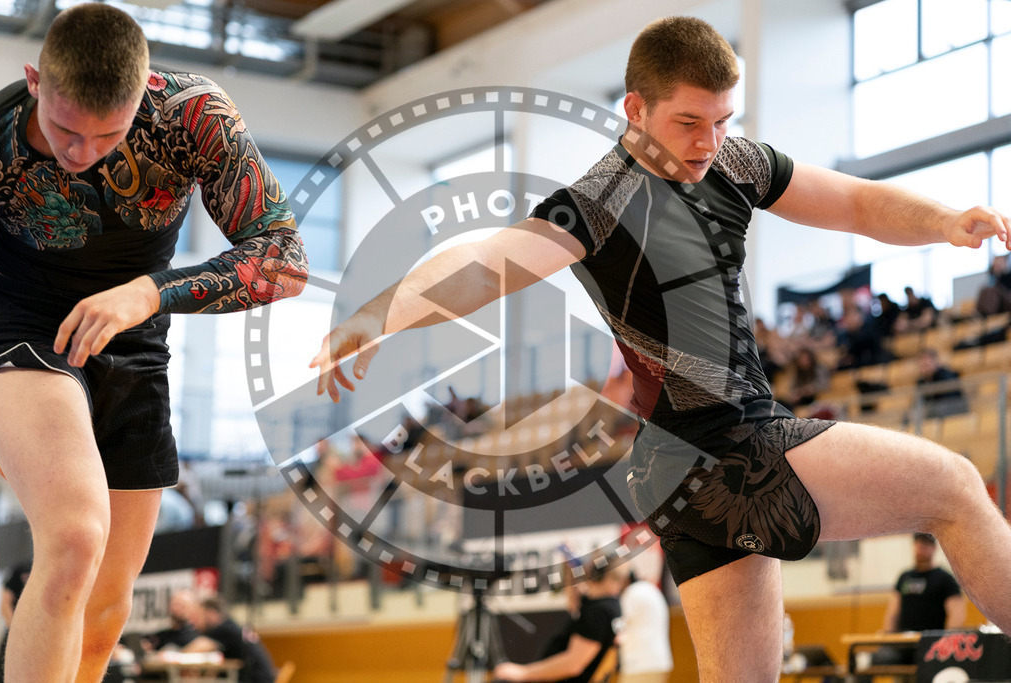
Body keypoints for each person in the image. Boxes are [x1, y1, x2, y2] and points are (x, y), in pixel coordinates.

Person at [312, 15, 1011, 682]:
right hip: (728, 447)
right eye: (688, 122)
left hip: (682, 474)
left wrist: (944, 220)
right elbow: (484, 263)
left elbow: (854, 204)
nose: (708, 142)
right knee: (952, 484)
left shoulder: (734, 163)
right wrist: (376, 314)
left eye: (722, 121)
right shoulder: (598, 201)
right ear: (635, 109)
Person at [0, 4, 308, 681]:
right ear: (34, 82)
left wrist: (151, 291)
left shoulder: (194, 116)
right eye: (65, 130)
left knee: (105, 613)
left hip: (137, 343)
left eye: (108, 135)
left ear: (142, 99)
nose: (82, 154)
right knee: (74, 538)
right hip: (23, 328)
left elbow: (284, 258)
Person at [492, 563, 625, 682]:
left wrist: (523, 673)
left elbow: (573, 664)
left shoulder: (598, 611)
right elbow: (575, 600)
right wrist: (572, 568)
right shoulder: (606, 606)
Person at [858, 533, 964, 679]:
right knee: (863, 663)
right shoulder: (905, 577)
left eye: (926, 546)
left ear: (934, 548)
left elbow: (956, 614)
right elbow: (893, 612)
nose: (921, 549)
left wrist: (944, 643)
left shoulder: (944, 579)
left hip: (930, 646)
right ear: (914, 546)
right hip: (902, 645)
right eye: (919, 545)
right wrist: (887, 636)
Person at [180, 596, 277, 683]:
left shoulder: (224, 629)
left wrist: (175, 655)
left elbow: (199, 646)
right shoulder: (231, 627)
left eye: (198, 616)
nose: (194, 623)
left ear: (211, 614)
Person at [617, 571, 672, 683]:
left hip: (640, 664)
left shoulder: (631, 593)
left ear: (624, 580)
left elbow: (619, 627)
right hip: (659, 661)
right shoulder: (650, 588)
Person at [0, 560, 31, 682]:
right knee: (2, 674)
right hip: (14, 631)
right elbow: (4, 603)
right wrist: (16, 628)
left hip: (39, 635)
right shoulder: (20, 571)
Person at [141, 589, 202, 653]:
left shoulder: (198, 634)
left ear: (191, 608)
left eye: (182, 605)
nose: (177, 609)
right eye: (175, 604)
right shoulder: (162, 636)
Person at [915, 348, 969, 419]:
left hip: (954, 408)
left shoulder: (946, 375)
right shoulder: (921, 382)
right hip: (936, 411)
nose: (925, 369)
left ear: (935, 362)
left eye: (927, 365)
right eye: (922, 366)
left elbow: (950, 399)